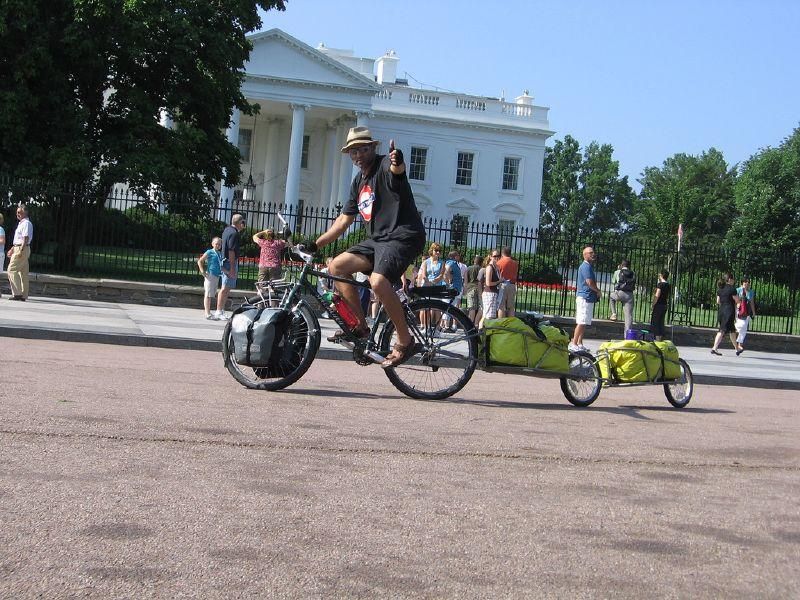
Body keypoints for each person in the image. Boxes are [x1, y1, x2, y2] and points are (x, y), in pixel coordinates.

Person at [312, 127, 426, 368]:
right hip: (378, 240)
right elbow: (344, 221)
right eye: (353, 151)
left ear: (373, 148)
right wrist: (315, 244)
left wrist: (398, 160)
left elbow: (397, 171)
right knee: (337, 266)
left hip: (402, 236)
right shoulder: (358, 182)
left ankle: (406, 341)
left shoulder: (385, 165)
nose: (358, 155)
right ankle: (360, 326)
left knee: (377, 282)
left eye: (363, 149)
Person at [215, 213, 247, 320]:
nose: (243, 224)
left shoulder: (227, 230)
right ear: (240, 223)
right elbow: (231, 251)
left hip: (226, 261)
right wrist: (232, 268)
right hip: (230, 262)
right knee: (225, 288)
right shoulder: (234, 234)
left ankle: (221, 310)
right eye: (243, 222)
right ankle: (219, 311)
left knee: (226, 288)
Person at [569, 246, 600, 352]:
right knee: (581, 321)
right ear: (585, 255)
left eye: (593, 252)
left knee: (585, 321)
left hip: (587, 297)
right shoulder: (586, 266)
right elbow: (589, 283)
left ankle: (580, 343)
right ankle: (574, 343)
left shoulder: (588, 266)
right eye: (590, 252)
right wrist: (598, 291)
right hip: (584, 297)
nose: (593, 254)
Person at [7, 204, 33, 301]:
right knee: (23, 273)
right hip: (20, 248)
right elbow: (20, 239)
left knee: (11, 269)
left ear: (25, 212)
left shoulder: (26, 223)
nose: (17, 214)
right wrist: (13, 249)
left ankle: (17, 294)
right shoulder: (22, 223)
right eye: (17, 212)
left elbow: (25, 238)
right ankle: (23, 295)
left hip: (22, 248)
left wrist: (20, 250)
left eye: (19, 212)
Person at [710, 272, 740, 356]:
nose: (734, 281)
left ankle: (737, 349)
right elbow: (737, 300)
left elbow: (718, 301)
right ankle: (714, 348)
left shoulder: (720, 288)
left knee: (732, 330)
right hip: (729, 311)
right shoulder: (732, 289)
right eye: (733, 279)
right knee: (722, 330)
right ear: (730, 279)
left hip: (722, 310)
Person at [197, 236, 223, 320]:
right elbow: (200, 261)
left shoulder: (219, 253)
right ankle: (207, 313)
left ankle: (208, 312)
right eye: (216, 244)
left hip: (216, 275)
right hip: (210, 275)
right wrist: (202, 271)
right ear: (212, 244)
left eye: (219, 244)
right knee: (208, 294)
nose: (218, 245)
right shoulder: (209, 252)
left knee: (211, 294)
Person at [609, 259, 636, 334]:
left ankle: (614, 313)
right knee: (628, 316)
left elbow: (614, 281)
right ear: (629, 265)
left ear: (621, 265)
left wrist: (618, 269)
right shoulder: (633, 273)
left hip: (620, 293)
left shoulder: (618, 272)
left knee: (611, 296)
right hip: (630, 295)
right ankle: (627, 336)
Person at [441, 250, 464, 331]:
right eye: (458, 255)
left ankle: (443, 325)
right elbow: (445, 272)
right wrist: (449, 282)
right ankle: (446, 326)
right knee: (448, 306)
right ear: (455, 256)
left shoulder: (453, 263)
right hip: (452, 288)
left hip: (454, 288)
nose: (459, 256)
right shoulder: (451, 263)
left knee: (449, 306)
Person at [478, 250, 501, 328]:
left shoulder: (495, 268)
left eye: (498, 256)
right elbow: (488, 283)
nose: (497, 258)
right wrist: (499, 281)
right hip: (489, 293)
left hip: (493, 293)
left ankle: (482, 332)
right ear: (491, 257)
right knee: (487, 316)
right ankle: (480, 331)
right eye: (495, 256)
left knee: (488, 315)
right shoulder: (489, 267)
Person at [735, 277, 756, 355]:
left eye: (748, 283)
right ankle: (736, 339)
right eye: (745, 283)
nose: (747, 284)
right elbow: (735, 300)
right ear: (742, 283)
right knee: (739, 326)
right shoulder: (738, 290)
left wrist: (753, 312)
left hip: (747, 312)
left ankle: (740, 344)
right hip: (738, 311)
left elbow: (752, 302)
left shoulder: (751, 292)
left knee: (744, 328)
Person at [496, 246, 519, 318]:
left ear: (502, 253)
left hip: (502, 285)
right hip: (512, 285)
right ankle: (510, 325)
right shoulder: (515, 263)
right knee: (511, 307)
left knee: (501, 306)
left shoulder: (499, 262)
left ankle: (501, 325)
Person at [649, 270, 671, 341]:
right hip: (664, 305)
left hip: (659, 305)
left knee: (656, 321)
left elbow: (657, 295)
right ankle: (661, 337)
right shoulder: (668, 285)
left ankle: (657, 338)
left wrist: (653, 304)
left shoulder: (660, 285)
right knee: (661, 322)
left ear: (661, 275)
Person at [464, 254, 483, 325]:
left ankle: (470, 323)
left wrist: (465, 289)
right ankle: (476, 323)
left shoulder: (468, 268)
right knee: (479, 307)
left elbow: (466, 280)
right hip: (479, 288)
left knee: (472, 308)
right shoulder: (481, 269)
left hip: (470, 288)